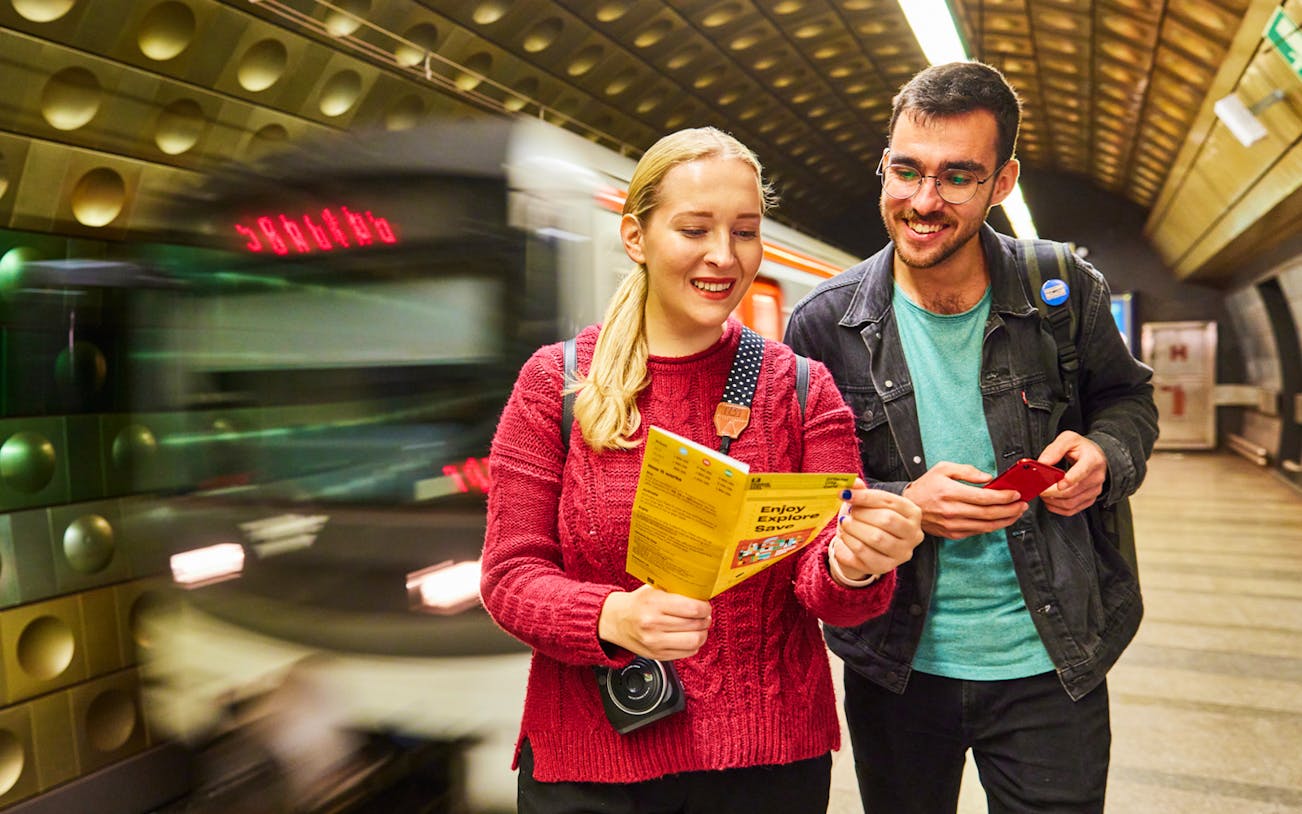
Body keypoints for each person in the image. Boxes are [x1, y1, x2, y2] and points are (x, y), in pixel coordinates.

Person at [480, 126, 924, 814]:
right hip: (591, 767)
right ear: (636, 238)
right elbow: (510, 578)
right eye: (694, 229)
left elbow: (826, 588)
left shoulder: (803, 391)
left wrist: (857, 561)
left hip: (767, 766)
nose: (725, 256)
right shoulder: (557, 385)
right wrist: (612, 615)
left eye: (745, 232)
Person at [784, 62, 1159, 814]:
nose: (924, 202)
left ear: (1003, 182)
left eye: (958, 176)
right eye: (907, 171)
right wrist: (903, 503)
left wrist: (1104, 456)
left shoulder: (1062, 290)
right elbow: (801, 496)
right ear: (883, 166)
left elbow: (1128, 400)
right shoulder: (824, 324)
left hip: (1051, 665)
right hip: (897, 667)